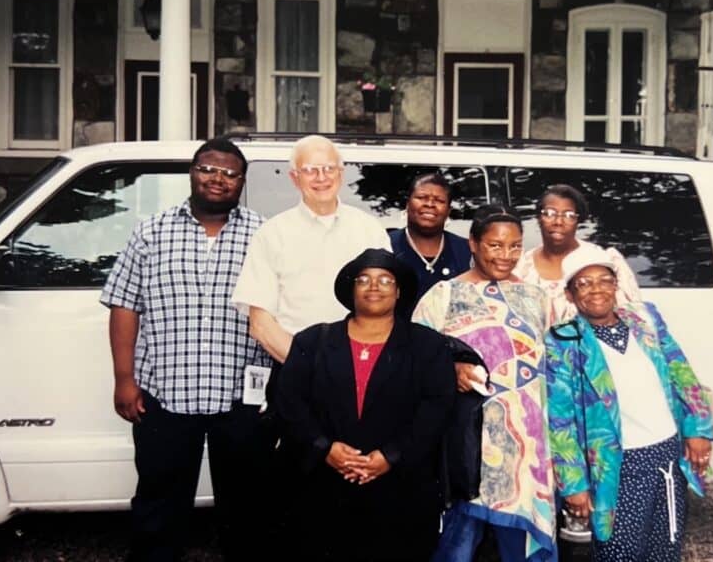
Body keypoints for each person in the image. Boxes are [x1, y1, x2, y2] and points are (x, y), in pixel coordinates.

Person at [100, 138, 272, 561]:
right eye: (209, 169)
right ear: (192, 173)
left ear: (242, 182)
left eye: (230, 174)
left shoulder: (265, 234)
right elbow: (125, 304)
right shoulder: (151, 230)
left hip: (243, 399)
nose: (218, 179)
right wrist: (125, 379)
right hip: (166, 394)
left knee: (246, 507)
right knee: (159, 503)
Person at [275, 248, 456, 562]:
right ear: (351, 288)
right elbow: (289, 402)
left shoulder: (428, 345)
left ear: (399, 291)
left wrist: (391, 456)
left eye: (386, 280)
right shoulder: (312, 341)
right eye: (364, 279)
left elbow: (436, 408)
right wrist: (324, 448)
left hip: (400, 489)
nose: (375, 287)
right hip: (323, 487)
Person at [545, 245, 713, 562]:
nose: (596, 289)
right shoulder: (563, 340)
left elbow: (682, 372)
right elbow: (560, 421)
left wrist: (699, 429)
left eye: (604, 280)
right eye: (583, 283)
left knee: (666, 550)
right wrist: (573, 485)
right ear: (569, 295)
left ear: (616, 284)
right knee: (618, 552)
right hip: (616, 467)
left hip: (667, 459)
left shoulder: (646, 319)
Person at [413, 204, 556, 562]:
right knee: (456, 546)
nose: (505, 256)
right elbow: (415, 361)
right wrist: (451, 371)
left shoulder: (538, 298)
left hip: (526, 447)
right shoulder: (443, 296)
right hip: (467, 445)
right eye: (495, 245)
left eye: (514, 246)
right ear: (473, 244)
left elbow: (555, 369)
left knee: (521, 548)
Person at [232, 134, 390, 363]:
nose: (321, 177)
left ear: (340, 174)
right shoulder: (271, 234)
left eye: (329, 168)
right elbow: (261, 324)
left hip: (361, 368)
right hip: (294, 369)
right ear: (294, 178)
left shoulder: (370, 230)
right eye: (310, 170)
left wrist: (357, 367)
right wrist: (307, 367)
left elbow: (386, 308)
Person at [515, 184, 640, 326]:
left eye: (569, 215)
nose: (558, 222)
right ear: (539, 217)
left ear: (578, 221)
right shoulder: (522, 267)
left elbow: (633, 316)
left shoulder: (603, 260)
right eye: (549, 213)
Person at [390, 172, 472, 304]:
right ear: (407, 204)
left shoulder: (466, 251)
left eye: (439, 200)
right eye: (422, 197)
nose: (430, 204)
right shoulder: (386, 245)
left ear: (448, 211)